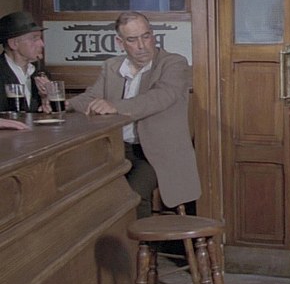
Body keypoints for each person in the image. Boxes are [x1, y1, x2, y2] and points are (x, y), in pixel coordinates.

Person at [67, 11, 200, 219]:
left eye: (146, 36)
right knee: (87, 190)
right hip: (117, 150)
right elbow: (92, 97)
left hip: (157, 154)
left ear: (153, 35)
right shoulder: (112, 66)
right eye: (132, 40)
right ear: (120, 43)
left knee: (132, 195)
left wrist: (115, 106)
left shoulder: (173, 63)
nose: (142, 45)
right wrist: (64, 104)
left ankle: (140, 240)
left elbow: (160, 97)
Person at [0, 11, 50, 113]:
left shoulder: (40, 74)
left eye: (40, 38)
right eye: (34, 38)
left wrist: (46, 99)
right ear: (14, 44)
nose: (42, 44)